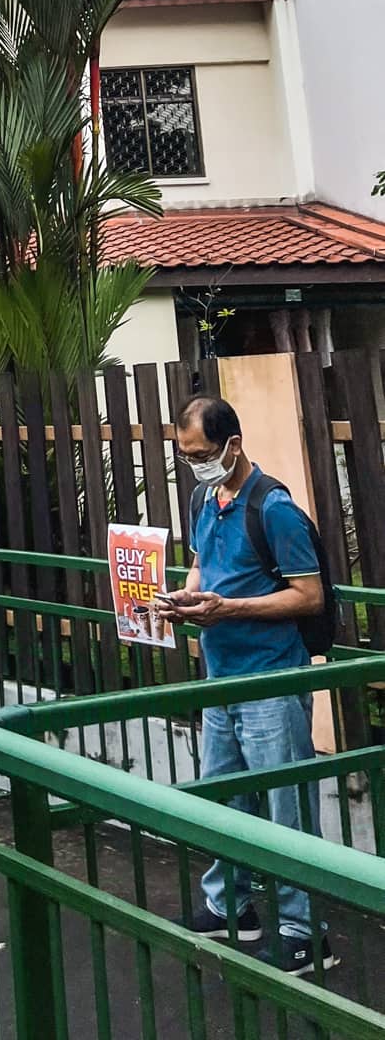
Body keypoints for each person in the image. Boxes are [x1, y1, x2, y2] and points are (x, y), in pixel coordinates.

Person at [159, 395, 335, 974]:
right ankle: (228, 902)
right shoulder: (202, 499)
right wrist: (187, 596)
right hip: (221, 674)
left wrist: (227, 607)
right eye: (186, 455)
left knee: (288, 804)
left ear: (233, 444)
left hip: (269, 674)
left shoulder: (274, 507)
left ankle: (303, 928)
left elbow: (308, 595)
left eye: (203, 453)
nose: (195, 464)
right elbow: (202, 564)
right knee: (223, 795)